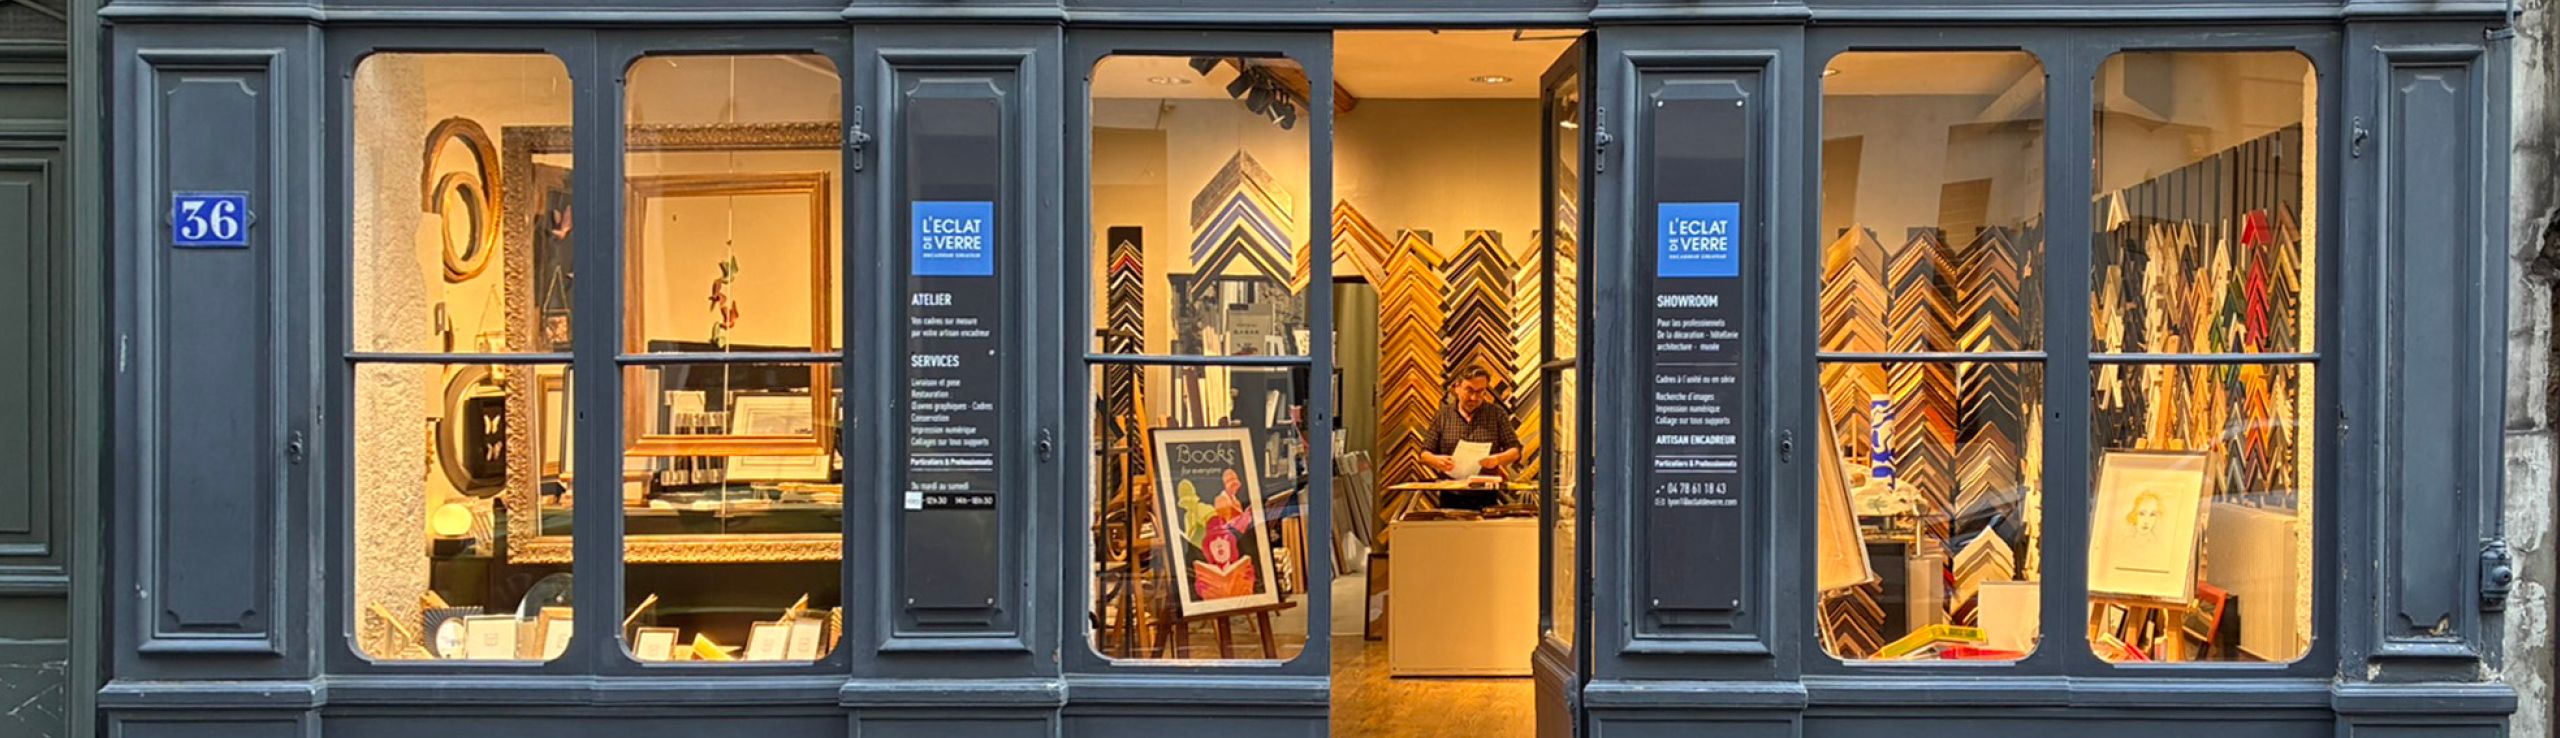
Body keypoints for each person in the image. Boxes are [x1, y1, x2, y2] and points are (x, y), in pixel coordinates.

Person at [1418, 366, 1522, 511]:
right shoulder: (1443, 415)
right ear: (1457, 387)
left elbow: (1515, 450)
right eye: (1470, 390)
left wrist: (1497, 460)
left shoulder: (1496, 414)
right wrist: (1437, 461)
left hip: (1486, 495)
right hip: (1450, 494)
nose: (1474, 398)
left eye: (1480, 392)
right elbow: (1424, 454)